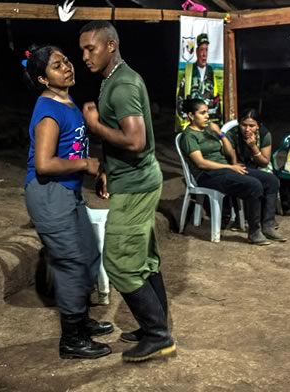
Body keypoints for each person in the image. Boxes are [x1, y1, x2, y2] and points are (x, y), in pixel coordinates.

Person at [79, 21, 176, 362]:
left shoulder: (122, 85)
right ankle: (157, 324)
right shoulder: (113, 79)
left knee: (118, 263)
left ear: (111, 45)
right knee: (144, 259)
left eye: (91, 48)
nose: (85, 56)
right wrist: (107, 168)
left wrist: (95, 127)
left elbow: (136, 141)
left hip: (136, 187)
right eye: (82, 50)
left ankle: (158, 335)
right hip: (134, 180)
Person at [23, 44, 114, 360]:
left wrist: (97, 170)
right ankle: (72, 339)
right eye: (56, 66)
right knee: (72, 263)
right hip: (48, 192)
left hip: (68, 191)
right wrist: (87, 165)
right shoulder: (48, 110)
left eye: (66, 61)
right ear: (43, 79)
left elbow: (73, 148)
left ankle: (82, 321)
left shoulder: (67, 101)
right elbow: (45, 164)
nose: (67, 67)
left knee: (88, 253)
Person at [179, 97, 287, 245]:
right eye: (202, 113)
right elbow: (201, 163)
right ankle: (254, 232)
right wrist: (231, 167)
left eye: (207, 112)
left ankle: (267, 225)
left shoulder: (209, 130)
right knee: (254, 185)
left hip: (224, 170)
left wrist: (221, 135)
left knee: (271, 180)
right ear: (191, 115)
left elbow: (229, 152)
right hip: (207, 175)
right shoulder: (188, 136)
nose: (207, 116)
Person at [226, 108, 284, 235]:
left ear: (258, 126)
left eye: (251, 126)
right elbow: (231, 159)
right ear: (239, 124)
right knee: (250, 181)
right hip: (240, 166)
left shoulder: (264, 134)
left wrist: (253, 147)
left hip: (259, 164)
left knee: (270, 179)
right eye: (244, 125)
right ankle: (243, 219)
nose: (247, 129)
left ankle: (268, 222)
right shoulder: (232, 134)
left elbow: (264, 161)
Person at [177, 33, 221, 130]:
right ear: (196, 51)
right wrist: (186, 117)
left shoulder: (211, 71)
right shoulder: (189, 70)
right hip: (192, 124)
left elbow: (216, 98)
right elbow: (180, 98)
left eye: (206, 50)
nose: (204, 54)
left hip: (208, 123)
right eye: (201, 50)